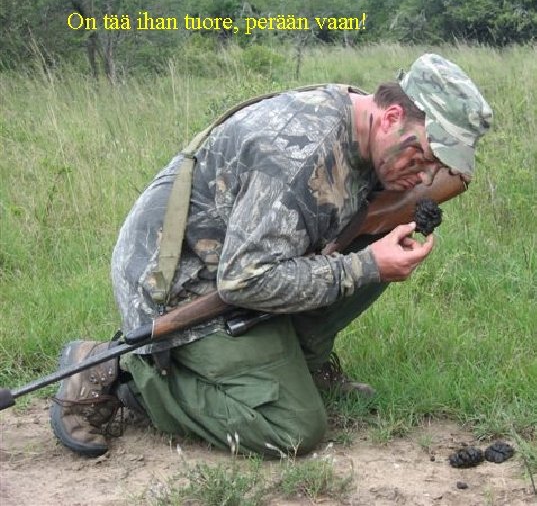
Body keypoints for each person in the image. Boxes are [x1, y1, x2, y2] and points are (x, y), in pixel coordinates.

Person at [49, 53, 493, 458]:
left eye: (438, 166)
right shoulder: (297, 155)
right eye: (423, 156)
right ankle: (125, 374)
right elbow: (244, 280)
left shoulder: (364, 123)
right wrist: (367, 265)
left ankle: (302, 365)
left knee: (374, 249)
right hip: (180, 290)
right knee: (294, 427)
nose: (426, 176)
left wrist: (372, 252)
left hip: (242, 263)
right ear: (392, 116)